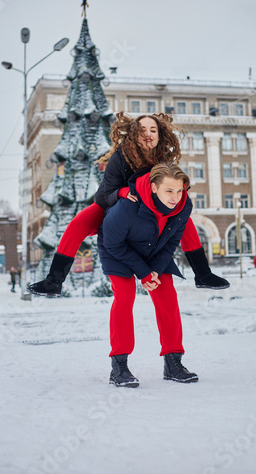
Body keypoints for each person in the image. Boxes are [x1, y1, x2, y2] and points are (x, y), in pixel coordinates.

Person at [28, 112, 229, 297]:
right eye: (142, 130)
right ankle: (54, 280)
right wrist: (124, 192)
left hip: (150, 209)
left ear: (160, 136)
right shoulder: (120, 157)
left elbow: (173, 185)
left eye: (153, 130)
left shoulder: (164, 159)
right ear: (134, 135)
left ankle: (203, 274)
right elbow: (103, 195)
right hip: (113, 205)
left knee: (184, 222)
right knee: (77, 224)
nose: (148, 134)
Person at [98, 162, 198, 387]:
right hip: (117, 250)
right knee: (125, 297)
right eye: (169, 191)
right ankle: (119, 366)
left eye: (179, 190)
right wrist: (143, 273)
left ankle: (173, 363)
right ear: (154, 188)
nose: (175, 197)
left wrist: (153, 271)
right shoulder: (127, 207)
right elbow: (113, 243)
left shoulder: (183, 206)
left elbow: (171, 242)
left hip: (154, 251)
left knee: (168, 297)